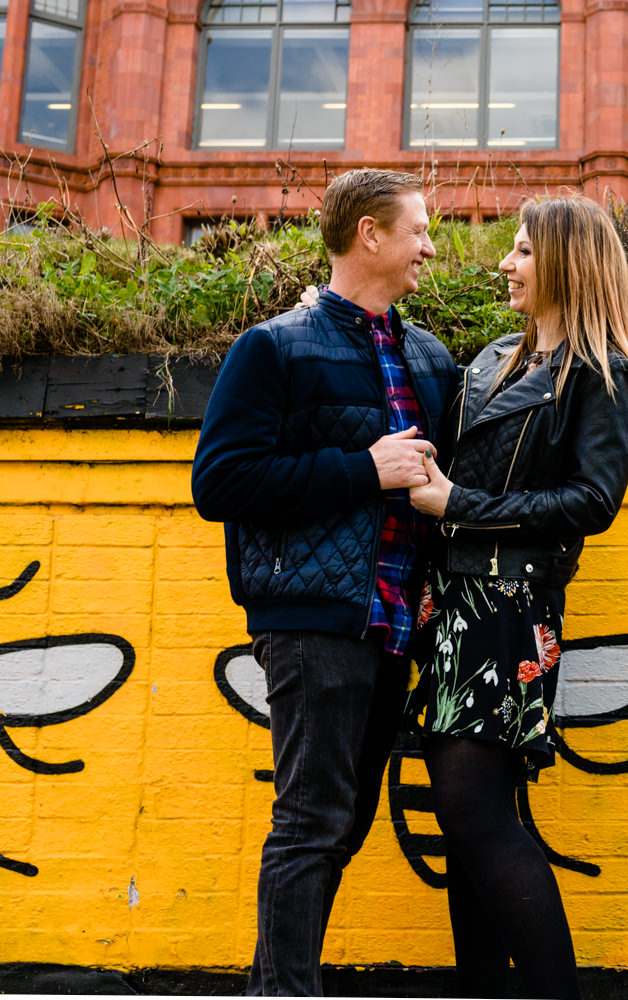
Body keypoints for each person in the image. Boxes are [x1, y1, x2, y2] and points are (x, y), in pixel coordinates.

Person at [191, 169, 458, 996]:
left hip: (395, 623)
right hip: (311, 620)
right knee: (309, 821)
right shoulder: (274, 346)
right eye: (418, 230)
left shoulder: (430, 357)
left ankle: (282, 980)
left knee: (340, 826)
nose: (430, 247)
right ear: (369, 234)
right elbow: (220, 483)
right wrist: (362, 469)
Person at [403, 196, 628, 999]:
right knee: (464, 821)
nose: (504, 265)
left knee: (474, 813)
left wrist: (463, 509)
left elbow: (592, 502)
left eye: (520, 251)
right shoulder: (494, 358)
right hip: (451, 606)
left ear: (566, 263)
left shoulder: (601, 372)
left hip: (509, 608)